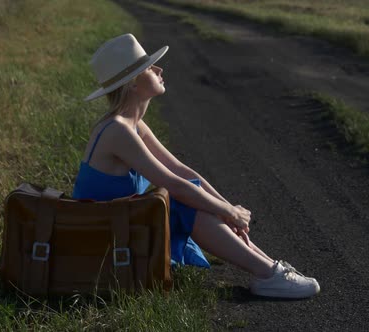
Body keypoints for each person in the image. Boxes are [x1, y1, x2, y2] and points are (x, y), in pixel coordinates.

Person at [72, 33, 320, 299]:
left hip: (121, 226)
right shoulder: (117, 131)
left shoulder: (132, 125)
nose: (159, 69)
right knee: (182, 202)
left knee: (191, 196)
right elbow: (174, 185)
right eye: (149, 67)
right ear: (132, 83)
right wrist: (227, 211)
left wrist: (228, 210)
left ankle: (270, 269)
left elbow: (184, 172)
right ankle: (267, 273)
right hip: (102, 243)